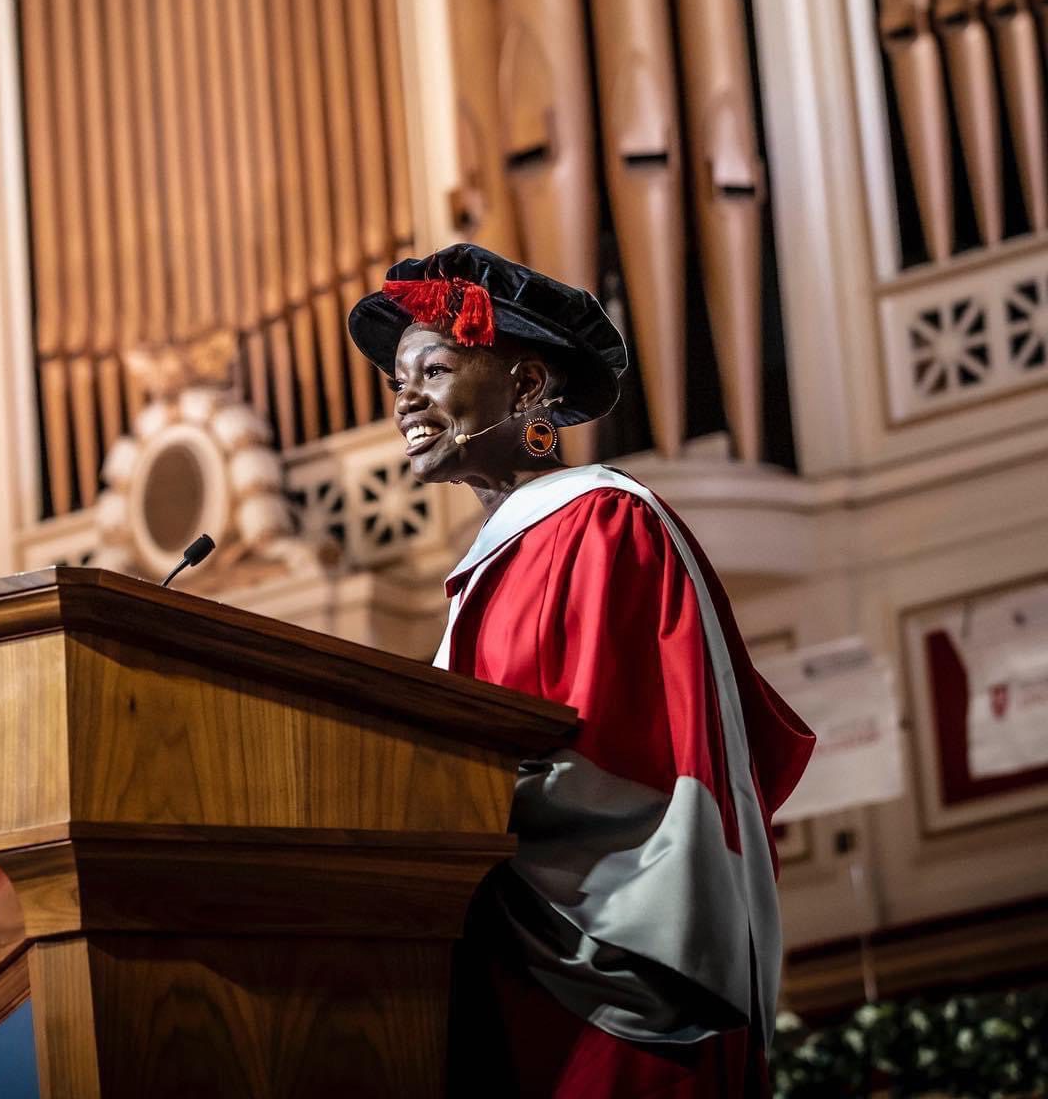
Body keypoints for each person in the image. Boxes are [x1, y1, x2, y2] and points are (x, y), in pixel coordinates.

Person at [347, 243, 815, 1098]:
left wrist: (398, 807)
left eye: (436, 368)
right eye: (396, 382)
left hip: (613, 977)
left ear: (527, 390)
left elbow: (611, 763)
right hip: (523, 969)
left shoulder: (601, 526)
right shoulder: (500, 562)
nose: (405, 397)